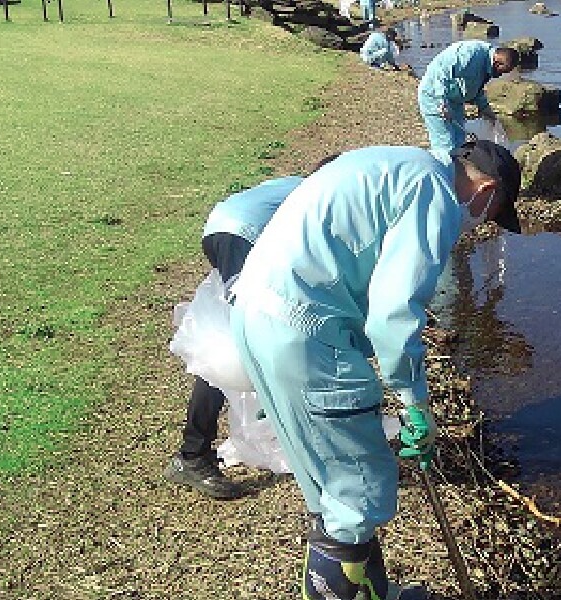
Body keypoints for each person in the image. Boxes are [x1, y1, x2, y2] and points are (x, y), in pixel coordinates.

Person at [228, 140, 522, 598]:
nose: (480, 224)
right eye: (494, 212)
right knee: (358, 492)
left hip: (256, 313)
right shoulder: (436, 195)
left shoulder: (399, 164)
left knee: (324, 480)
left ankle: (365, 589)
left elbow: (362, 277)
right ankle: (341, 589)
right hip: (303, 332)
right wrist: (414, 404)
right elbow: (392, 314)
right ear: (487, 192)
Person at [163, 158, 339, 500]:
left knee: (248, 341)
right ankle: (192, 455)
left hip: (224, 231)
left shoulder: (297, 183)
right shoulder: (323, 194)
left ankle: (272, 423)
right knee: (238, 347)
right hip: (242, 237)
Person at [417, 41, 519, 152]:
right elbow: (440, 72)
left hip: (455, 101)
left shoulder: (488, 66)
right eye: (503, 71)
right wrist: (441, 103)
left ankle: (454, 166)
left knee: (460, 142)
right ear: (497, 63)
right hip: (434, 96)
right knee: (445, 144)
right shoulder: (470, 53)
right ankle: (443, 166)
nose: (501, 75)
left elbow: (476, 89)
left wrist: (486, 110)